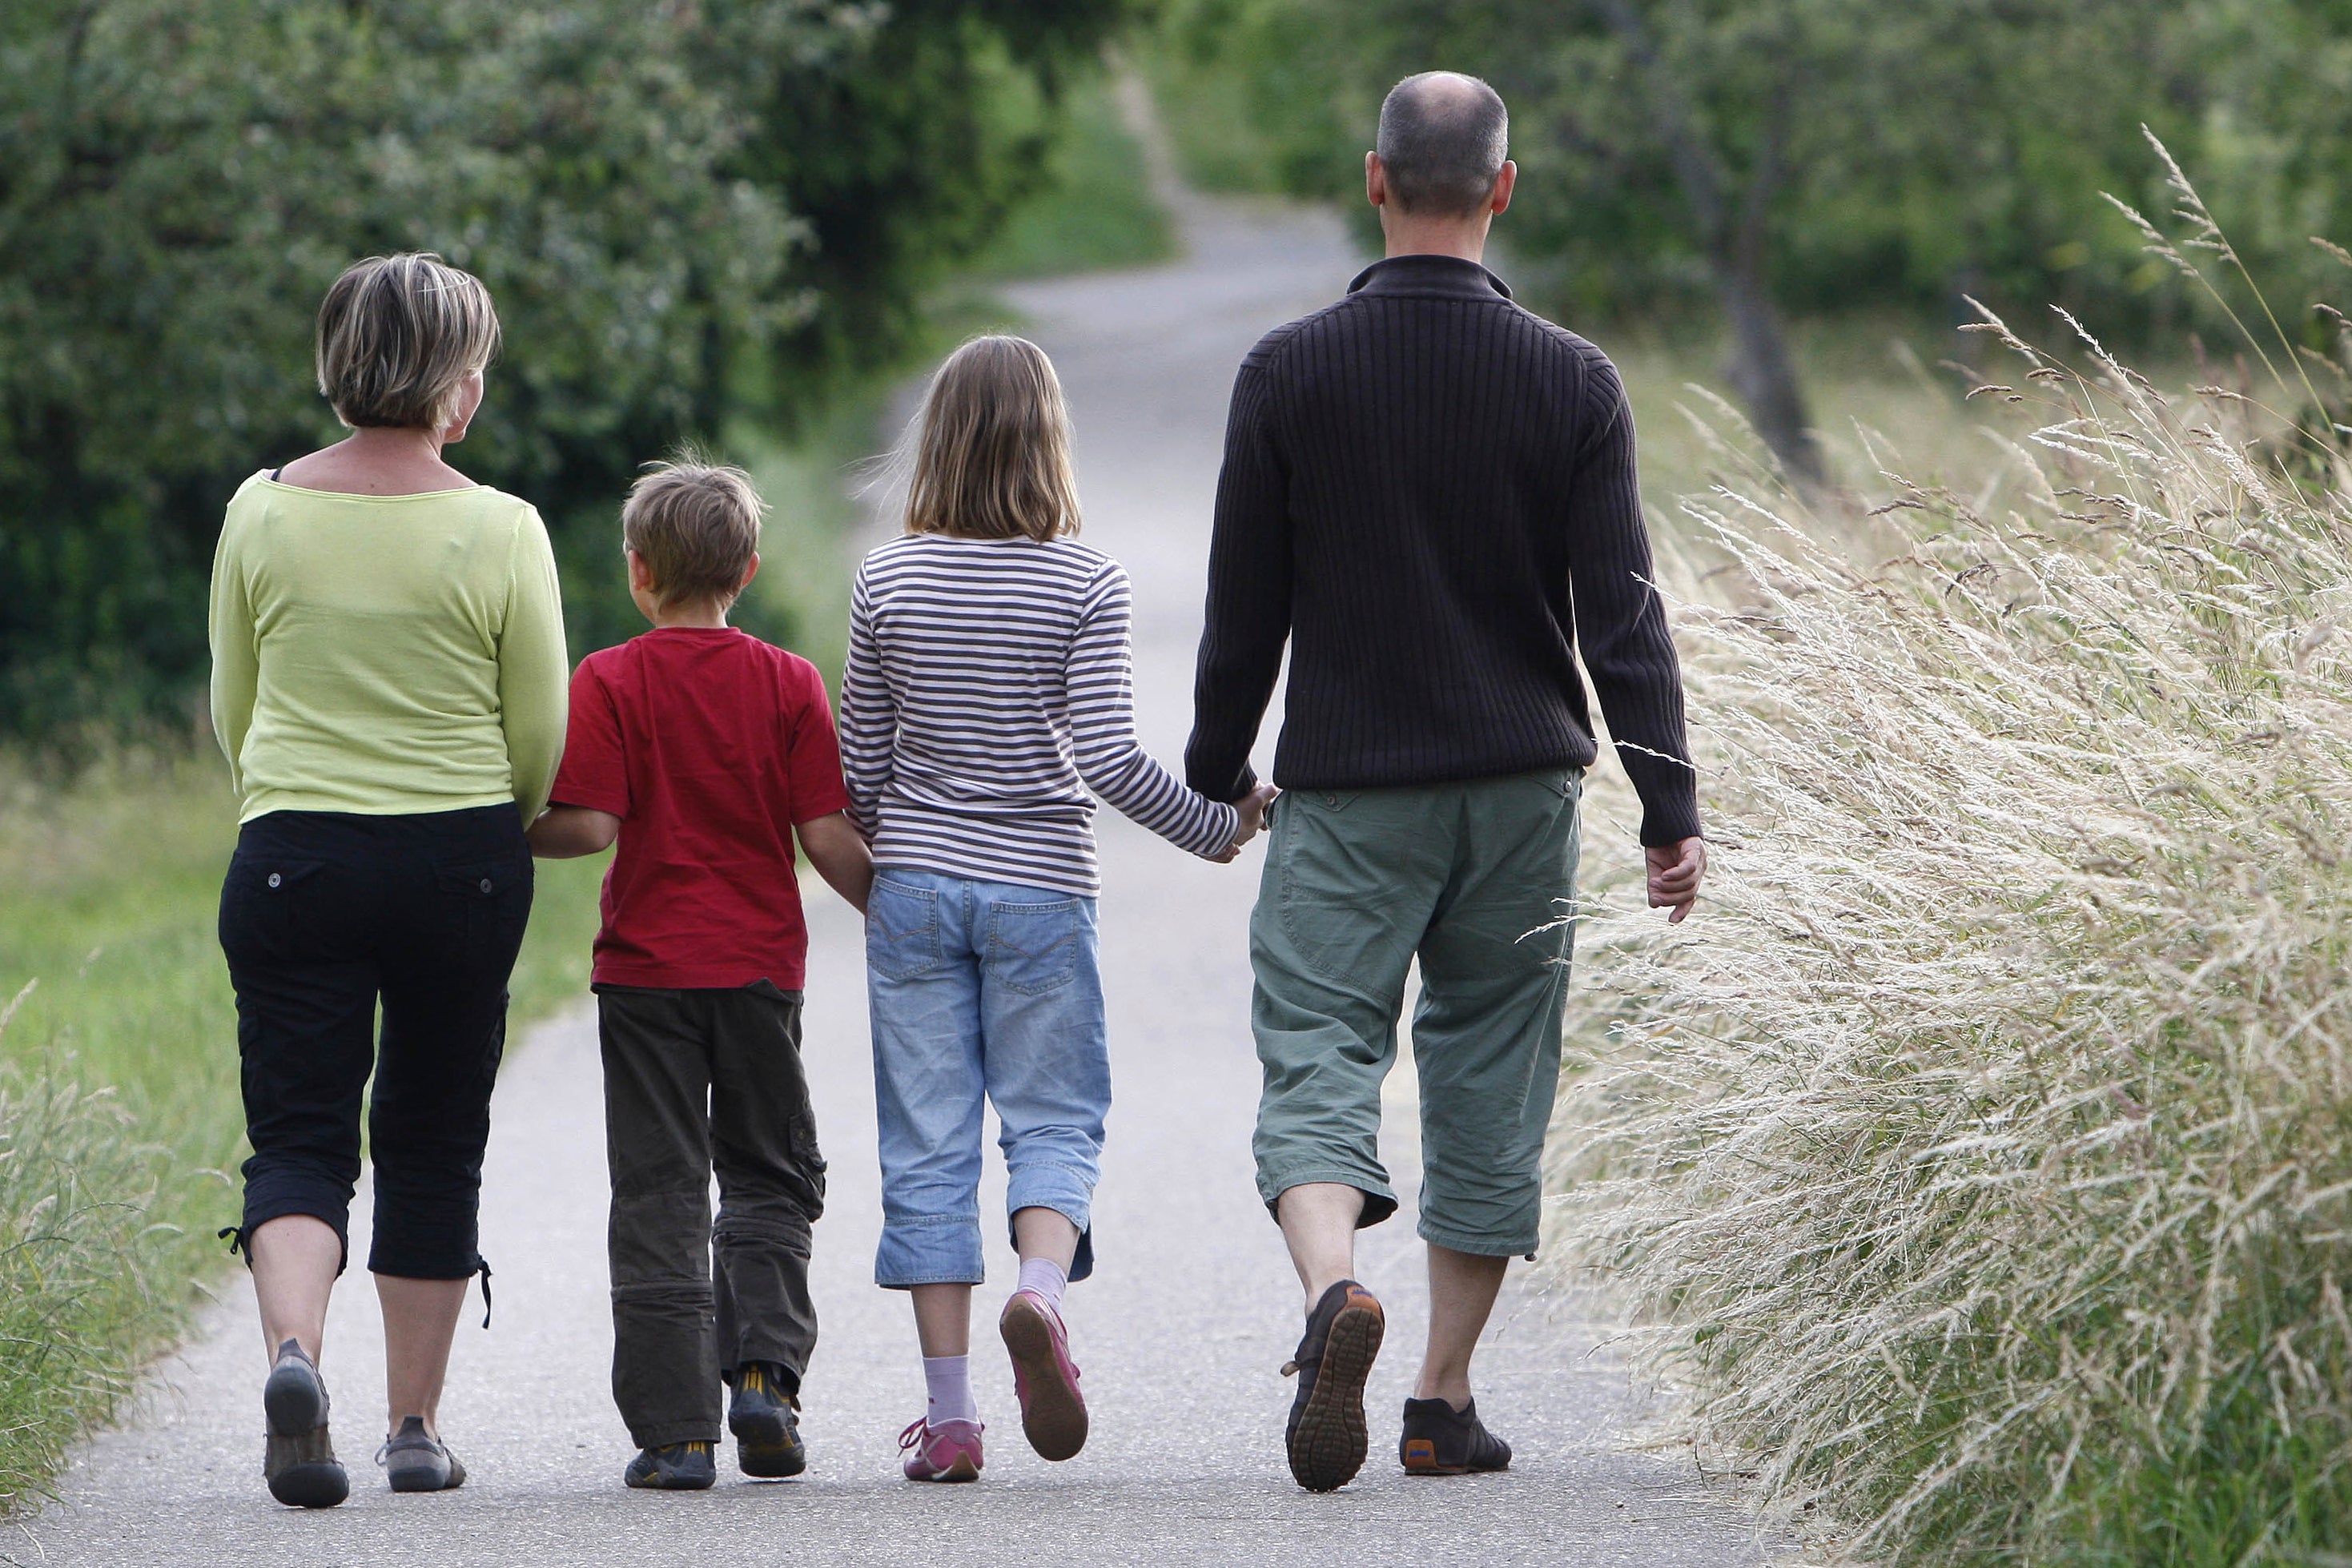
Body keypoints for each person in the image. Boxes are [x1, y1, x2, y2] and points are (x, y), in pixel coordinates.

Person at [1184, 71, 1710, 1494]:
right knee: (1488, 1073)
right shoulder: (1572, 378)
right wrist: (1671, 808)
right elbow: (1623, 616)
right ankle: (1437, 1395)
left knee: (1317, 1047)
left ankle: (1327, 1296)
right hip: (1520, 789)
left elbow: (1247, 607)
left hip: (1350, 789)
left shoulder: (1288, 372)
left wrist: (1216, 769)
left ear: (1373, 180)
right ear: (1502, 185)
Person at [840, 335, 1277, 1483]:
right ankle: (1041, 1294)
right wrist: (1218, 825)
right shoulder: (1084, 580)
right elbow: (1109, 759)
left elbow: (856, 773)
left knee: (925, 1146)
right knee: (1053, 1117)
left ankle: (948, 1420)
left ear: (937, 439)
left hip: (917, 890)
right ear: (1049, 439)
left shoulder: (885, 580)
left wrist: (885, 880)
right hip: (1040, 886)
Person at [209, 253, 568, 1507]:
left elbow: (233, 710)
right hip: (457, 856)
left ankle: (294, 1355)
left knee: (298, 1136)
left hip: (295, 848)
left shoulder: (258, 510)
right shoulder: (502, 525)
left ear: (337, 366)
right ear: (458, 392)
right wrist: (498, 828)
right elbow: (540, 734)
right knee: (429, 1135)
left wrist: (289, 803)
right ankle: (412, 1427)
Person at [528, 460, 873, 1492]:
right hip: (760, 970)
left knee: (658, 1191)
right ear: (750, 571)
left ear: (638, 572)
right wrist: (903, 919)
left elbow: (590, 826)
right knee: (768, 1173)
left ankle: (677, 1434)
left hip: (645, 977)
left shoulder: (610, 678)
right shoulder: (789, 683)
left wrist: (498, 837)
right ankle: (765, 1376)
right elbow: (825, 834)